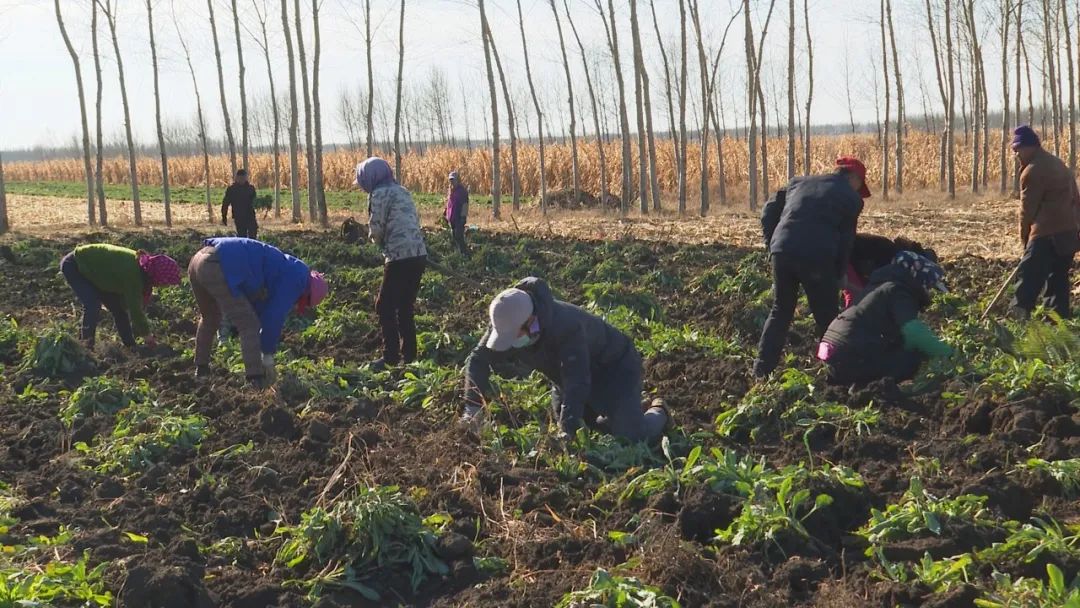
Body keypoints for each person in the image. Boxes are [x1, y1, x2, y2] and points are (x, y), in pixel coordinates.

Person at [460, 277, 671, 443]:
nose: (510, 342)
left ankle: (659, 410)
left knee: (630, 435)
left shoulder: (566, 327)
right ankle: (626, 408)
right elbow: (478, 360)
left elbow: (577, 382)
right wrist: (472, 409)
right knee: (586, 430)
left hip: (615, 367)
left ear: (531, 321)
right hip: (566, 376)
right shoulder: (508, 321)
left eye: (514, 335)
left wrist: (567, 432)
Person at [753, 156, 870, 378]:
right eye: (859, 186)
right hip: (816, 256)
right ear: (853, 178)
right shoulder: (851, 199)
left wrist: (772, 245)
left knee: (781, 311)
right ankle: (836, 372)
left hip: (782, 251)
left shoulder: (798, 182)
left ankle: (761, 370)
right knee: (826, 317)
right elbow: (846, 240)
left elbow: (768, 210)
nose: (858, 191)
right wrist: (839, 273)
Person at [188, 237, 327, 387]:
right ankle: (255, 378)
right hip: (218, 264)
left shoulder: (286, 267)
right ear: (307, 295)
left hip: (199, 259)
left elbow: (260, 307)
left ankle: (201, 369)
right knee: (249, 325)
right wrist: (267, 355)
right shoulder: (297, 280)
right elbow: (273, 316)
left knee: (210, 317)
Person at [818, 251, 952, 386]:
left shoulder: (877, 287)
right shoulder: (898, 290)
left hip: (831, 355)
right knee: (911, 359)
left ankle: (851, 380)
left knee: (896, 349)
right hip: (849, 357)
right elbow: (914, 332)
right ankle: (872, 387)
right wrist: (948, 353)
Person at [356, 157, 428, 370]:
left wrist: (372, 239)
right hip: (418, 254)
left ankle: (390, 357)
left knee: (384, 305)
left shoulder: (378, 194)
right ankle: (410, 355)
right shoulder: (402, 190)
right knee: (405, 306)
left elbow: (377, 230)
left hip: (398, 257)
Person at [1010, 125, 1080, 319]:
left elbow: (1027, 211)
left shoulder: (1032, 171)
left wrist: (1025, 239)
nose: (1016, 154)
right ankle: (1057, 324)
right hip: (1068, 234)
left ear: (1030, 147)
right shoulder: (1059, 164)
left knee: (1028, 277)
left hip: (1046, 234)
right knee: (1057, 280)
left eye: (1018, 149)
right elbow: (1076, 198)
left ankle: (1018, 318)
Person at [60, 244, 181, 350]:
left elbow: (126, 305)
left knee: (119, 310)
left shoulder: (142, 269)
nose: (163, 286)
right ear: (158, 275)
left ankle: (130, 345)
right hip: (77, 264)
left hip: (99, 273)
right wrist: (148, 337)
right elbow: (135, 310)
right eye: (165, 282)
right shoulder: (134, 275)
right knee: (93, 305)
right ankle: (86, 345)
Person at [844, 234, 938, 308]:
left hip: (845, 256)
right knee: (858, 295)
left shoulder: (891, 250)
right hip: (845, 257)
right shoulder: (891, 256)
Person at [222, 169, 259, 239]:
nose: (242, 180)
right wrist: (224, 216)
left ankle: (252, 249)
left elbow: (255, 202)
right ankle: (243, 249)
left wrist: (261, 204)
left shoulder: (250, 188)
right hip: (238, 216)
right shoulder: (232, 189)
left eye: (244, 178)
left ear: (246, 178)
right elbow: (225, 203)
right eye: (240, 178)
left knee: (253, 233)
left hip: (250, 215)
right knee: (242, 236)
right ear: (236, 178)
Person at [446, 171, 469, 255]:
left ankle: (464, 254)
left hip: (459, 218)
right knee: (454, 237)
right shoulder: (451, 191)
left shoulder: (462, 191)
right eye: (450, 180)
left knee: (459, 237)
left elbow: (465, 204)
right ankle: (458, 254)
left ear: (458, 180)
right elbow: (449, 204)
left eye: (453, 180)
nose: (452, 182)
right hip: (452, 218)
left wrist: (463, 217)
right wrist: (445, 214)